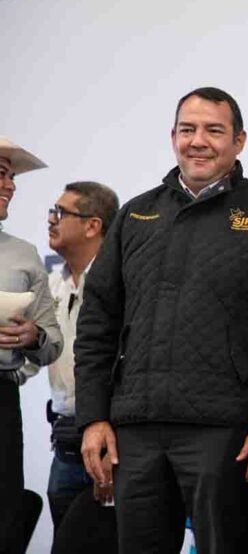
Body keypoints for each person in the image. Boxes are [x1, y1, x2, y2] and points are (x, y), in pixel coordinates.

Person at [74, 87, 248, 553]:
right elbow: (97, 324)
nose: (198, 141)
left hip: (229, 432)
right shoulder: (135, 215)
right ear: (173, 136)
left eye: (214, 130)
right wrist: (93, 417)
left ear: (239, 141)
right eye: (187, 129)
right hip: (135, 430)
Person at [43, 181, 121, 530]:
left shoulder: (122, 283)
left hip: (110, 446)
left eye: (61, 213)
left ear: (93, 226)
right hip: (64, 443)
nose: (51, 219)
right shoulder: (52, 284)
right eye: (52, 211)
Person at [0, 137, 62, 554]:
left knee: (5, 521)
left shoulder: (24, 255)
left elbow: (52, 342)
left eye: (11, 176)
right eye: (2, 174)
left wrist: (33, 336)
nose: (11, 185)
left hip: (2, 400)